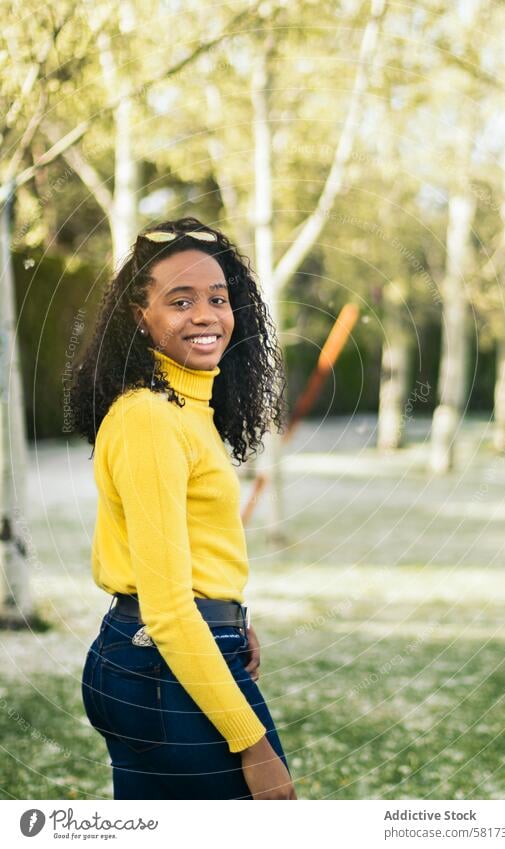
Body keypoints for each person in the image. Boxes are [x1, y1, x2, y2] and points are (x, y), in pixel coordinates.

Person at [71, 216, 297, 800]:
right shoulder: (150, 417)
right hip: (160, 661)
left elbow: (190, 559)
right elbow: (168, 608)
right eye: (180, 300)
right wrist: (253, 746)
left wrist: (230, 618)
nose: (205, 315)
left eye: (218, 299)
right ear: (138, 317)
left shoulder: (185, 410)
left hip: (169, 651)